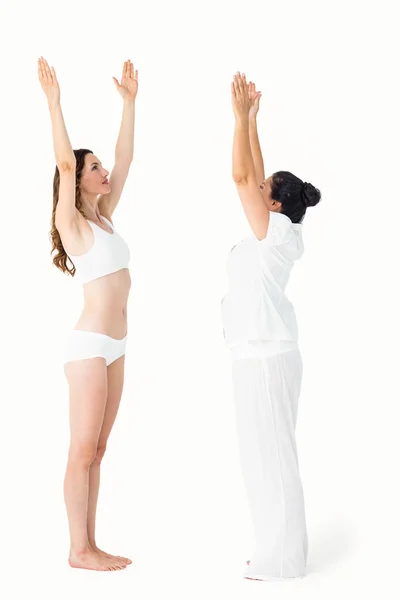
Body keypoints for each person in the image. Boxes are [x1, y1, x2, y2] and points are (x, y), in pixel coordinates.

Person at [38, 56, 138, 571]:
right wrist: (54, 103)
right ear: (78, 180)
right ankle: (78, 549)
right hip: (89, 346)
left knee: (99, 450)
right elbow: (63, 163)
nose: (103, 172)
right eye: (92, 167)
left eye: (100, 166)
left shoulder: (106, 218)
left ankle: (90, 545)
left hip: (116, 346)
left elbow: (125, 158)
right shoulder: (74, 225)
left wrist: (129, 105)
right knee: (82, 451)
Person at [222, 72, 321, 581]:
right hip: (251, 356)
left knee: (276, 457)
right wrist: (254, 123)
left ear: (275, 205)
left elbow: (242, 179)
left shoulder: (277, 232)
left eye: (266, 192)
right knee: (258, 459)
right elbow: (255, 174)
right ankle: (271, 548)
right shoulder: (274, 228)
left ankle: (286, 559)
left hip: (268, 357)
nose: (257, 191)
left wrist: (237, 119)